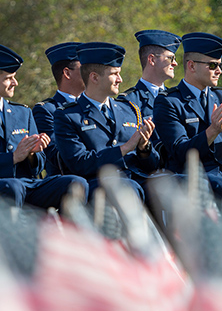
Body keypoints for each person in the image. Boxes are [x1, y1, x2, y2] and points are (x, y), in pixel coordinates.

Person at [0, 41, 88, 208]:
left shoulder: (22, 112)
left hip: (27, 184)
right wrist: (13, 157)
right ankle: (15, 233)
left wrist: (32, 153)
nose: (15, 83)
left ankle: (68, 233)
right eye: (8, 78)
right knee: (12, 187)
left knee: (76, 183)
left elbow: (38, 166)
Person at [153, 32, 222, 205]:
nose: (219, 71)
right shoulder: (169, 101)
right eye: (213, 65)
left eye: (219, 65)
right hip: (192, 174)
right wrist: (211, 132)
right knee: (221, 186)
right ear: (192, 66)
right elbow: (180, 152)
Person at [53, 42, 159, 199]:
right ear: (94, 77)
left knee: (178, 183)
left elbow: (152, 166)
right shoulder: (68, 116)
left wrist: (144, 147)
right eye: (114, 74)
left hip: (136, 180)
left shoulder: (130, 109)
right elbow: (79, 164)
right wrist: (125, 148)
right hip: (100, 186)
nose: (120, 79)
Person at [33, 42, 83, 176]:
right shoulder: (47, 110)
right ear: (67, 73)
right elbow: (58, 156)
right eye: (84, 67)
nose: (91, 72)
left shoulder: (95, 106)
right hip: (68, 183)